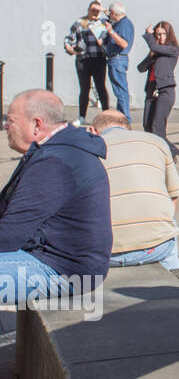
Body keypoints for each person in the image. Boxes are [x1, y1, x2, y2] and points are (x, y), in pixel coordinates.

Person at [0, 90, 112, 303]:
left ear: (36, 124)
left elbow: (10, 235)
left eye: (11, 120)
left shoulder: (55, 162)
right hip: (55, 259)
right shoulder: (59, 149)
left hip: (64, 269)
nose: (5, 126)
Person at [90, 111, 179, 270]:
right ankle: (176, 279)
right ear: (128, 128)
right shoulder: (157, 142)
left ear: (92, 131)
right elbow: (173, 197)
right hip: (156, 248)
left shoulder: (88, 149)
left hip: (104, 252)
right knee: (170, 222)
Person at [138, 21, 179, 159]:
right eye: (157, 34)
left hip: (165, 90)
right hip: (151, 91)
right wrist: (150, 55)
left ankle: (168, 154)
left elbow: (153, 45)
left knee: (158, 126)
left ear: (168, 35)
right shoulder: (155, 52)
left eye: (163, 34)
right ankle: (169, 151)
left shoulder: (172, 49)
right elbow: (141, 68)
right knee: (147, 125)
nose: (160, 37)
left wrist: (148, 35)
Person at [64, 1, 111, 126]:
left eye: (97, 10)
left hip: (99, 59)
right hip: (83, 59)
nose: (95, 12)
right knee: (84, 88)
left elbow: (115, 19)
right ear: (88, 10)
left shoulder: (103, 23)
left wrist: (104, 9)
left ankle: (106, 114)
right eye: (93, 10)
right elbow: (69, 38)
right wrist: (69, 48)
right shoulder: (80, 23)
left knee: (101, 87)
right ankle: (82, 116)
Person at [102, 2, 135, 124]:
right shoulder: (120, 23)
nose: (109, 15)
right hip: (115, 59)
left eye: (111, 13)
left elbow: (124, 43)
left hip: (118, 59)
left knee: (121, 91)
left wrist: (111, 32)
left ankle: (125, 119)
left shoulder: (124, 25)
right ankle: (122, 117)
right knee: (120, 90)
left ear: (115, 14)